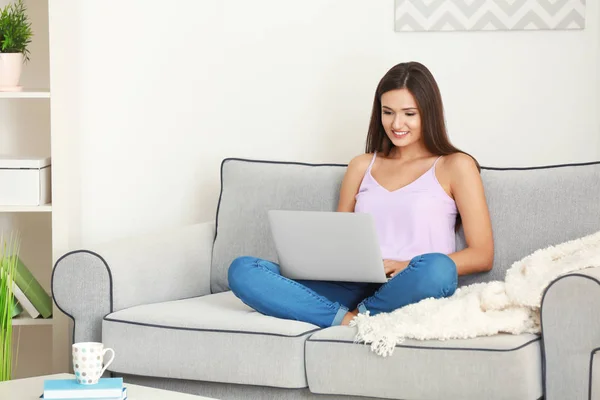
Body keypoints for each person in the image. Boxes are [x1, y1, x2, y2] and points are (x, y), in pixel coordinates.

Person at [228, 61, 494, 328]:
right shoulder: (361, 165)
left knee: (439, 269)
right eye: (388, 112)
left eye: (409, 114)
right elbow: (340, 238)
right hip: (350, 283)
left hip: (410, 282)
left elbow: (482, 254)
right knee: (243, 270)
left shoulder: (456, 165)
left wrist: (406, 265)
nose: (397, 123)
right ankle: (349, 320)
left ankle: (349, 315)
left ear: (429, 113)